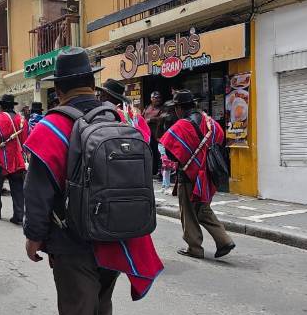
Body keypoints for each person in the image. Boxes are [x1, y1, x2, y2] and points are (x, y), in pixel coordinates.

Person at [23, 47, 163, 315]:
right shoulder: (118, 118)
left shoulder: (49, 128)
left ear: (59, 89)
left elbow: (38, 192)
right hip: (116, 239)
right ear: (93, 83)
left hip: (72, 243)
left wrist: (34, 237)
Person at [159, 90, 235, 259]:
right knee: (202, 208)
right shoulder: (210, 122)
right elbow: (220, 140)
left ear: (179, 107)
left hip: (189, 174)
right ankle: (224, 240)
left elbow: (171, 154)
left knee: (188, 211)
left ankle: (194, 247)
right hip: (208, 173)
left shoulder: (181, 126)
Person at [0, 94, 27, 224]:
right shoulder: (22, 120)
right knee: (17, 187)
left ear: (1, 106)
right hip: (17, 158)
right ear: (12, 105)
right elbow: (25, 139)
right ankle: (19, 216)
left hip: (0, 156)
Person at [97, 79, 151, 143]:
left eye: (103, 95)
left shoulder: (115, 115)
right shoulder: (135, 115)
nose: (99, 98)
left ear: (110, 97)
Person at [143, 91, 164, 175]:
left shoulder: (162, 108)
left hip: (157, 134)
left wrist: (151, 120)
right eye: (156, 98)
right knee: (149, 152)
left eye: (159, 97)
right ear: (151, 99)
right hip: (147, 134)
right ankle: (151, 170)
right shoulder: (147, 107)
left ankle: (159, 171)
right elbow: (142, 116)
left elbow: (162, 118)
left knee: (158, 153)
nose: (158, 99)